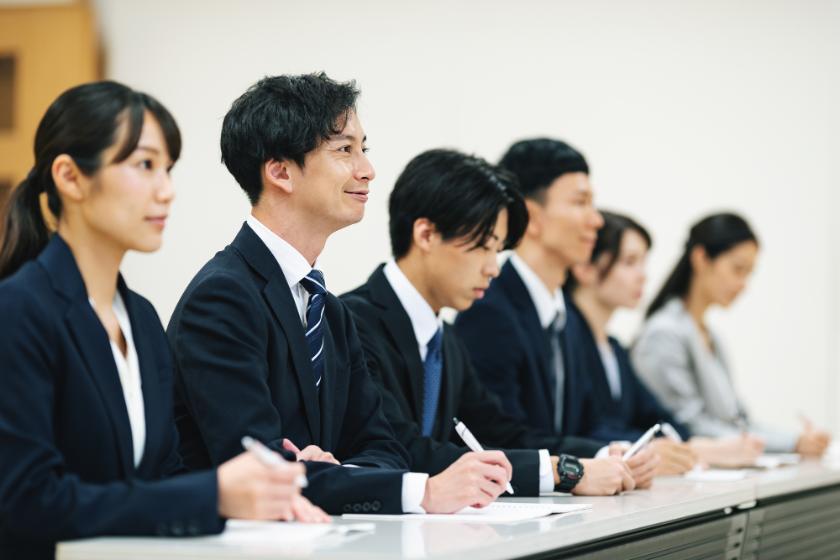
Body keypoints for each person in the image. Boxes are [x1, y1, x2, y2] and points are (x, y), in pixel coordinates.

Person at [0, 82, 327, 560]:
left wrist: (258, 496)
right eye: (144, 165)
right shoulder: (19, 311)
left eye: (168, 169)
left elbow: (163, 476)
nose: (166, 191)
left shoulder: (142, 319)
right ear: (70, 177)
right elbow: (28, 503)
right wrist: (212, 493)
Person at [168, 73, 512, 516]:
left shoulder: (328, 309)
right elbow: (257, 468)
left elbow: (382, 447)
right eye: (344, 150)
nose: (367, 169)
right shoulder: (222, 298)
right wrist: (418, 493)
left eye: (363, 149)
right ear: (280, 171)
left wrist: (332, 471)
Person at [342, 149, 636, 497]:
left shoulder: (445, 339)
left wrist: (600, 455)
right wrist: (560, 472)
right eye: (483, 247)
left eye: (497, 251)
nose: (493, 268)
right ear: (426, 235)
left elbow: (500, 433)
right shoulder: (351, 322)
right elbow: (398, 446)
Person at [455, 138, 658, 488]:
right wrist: (589, 460)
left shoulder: (569, 316)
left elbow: (587, 421)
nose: (596, 221)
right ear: (532, 217)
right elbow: (501, 436)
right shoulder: (487, 308)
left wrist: (617, 452)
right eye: (580, 203)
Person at [566, 210, 764, 470]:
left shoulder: (614, 349)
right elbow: (588, 428)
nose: (643, 275)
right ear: (585, 266)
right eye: (629, 262)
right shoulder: (567, 343)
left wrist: (683, 445)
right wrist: (678, 448)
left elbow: (659, 418)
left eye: (643, 264)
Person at [632, 213, 831, 456]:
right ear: (701, 258)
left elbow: (740, 422)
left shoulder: (711, 336)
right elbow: (687, 426)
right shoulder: (663, 333)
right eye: (738, 269)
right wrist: (790, 443)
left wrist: (796, 439)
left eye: (749, 273)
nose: (743, 284)